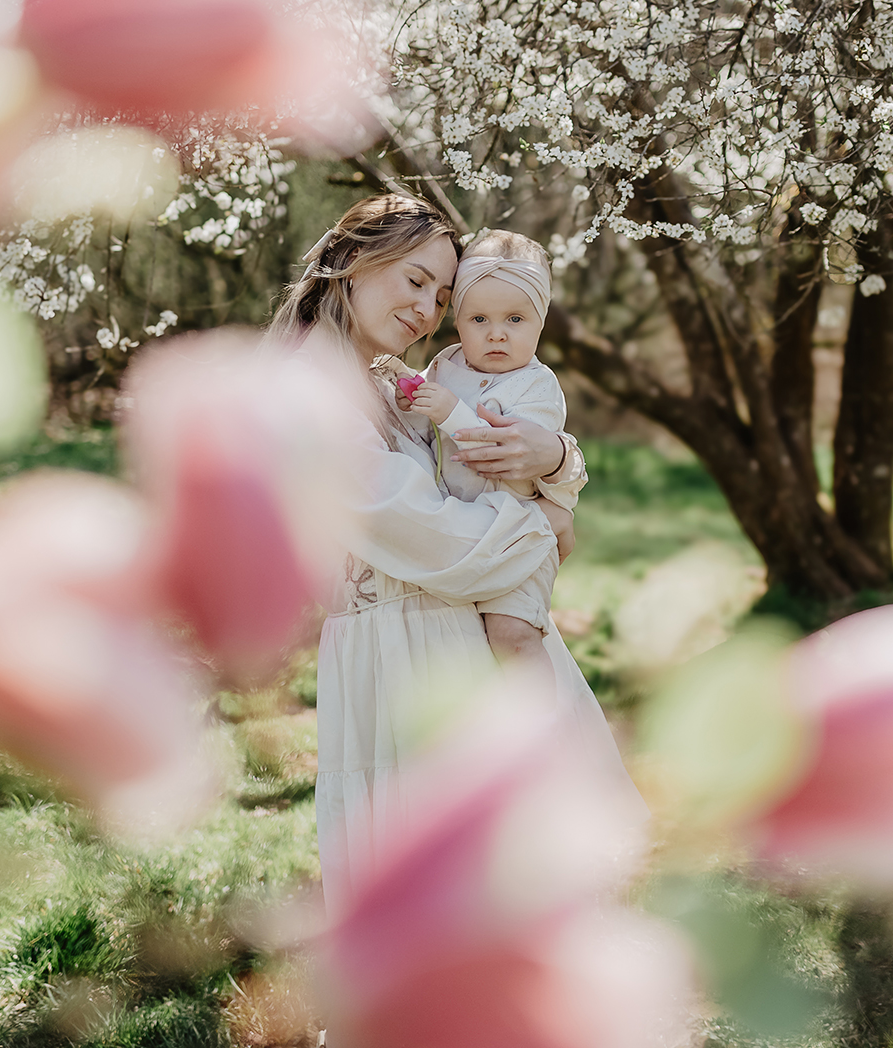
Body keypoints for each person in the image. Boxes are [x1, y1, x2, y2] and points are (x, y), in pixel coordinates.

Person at [267, 193, 636, 917]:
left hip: (459, 648)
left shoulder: (385, 381)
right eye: (414, 280)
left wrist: (558, 460)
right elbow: (443, 536)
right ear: (349, 261)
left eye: (442, 294)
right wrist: (544, 518)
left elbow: (488, 460)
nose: (427, 309)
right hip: (406, 661)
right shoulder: (307, 398)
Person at [396, 229, 573, 668]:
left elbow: (510, 455)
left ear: (540, 321)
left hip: (515, 532)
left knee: (513, 636)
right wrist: (413, 403)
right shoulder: (446, 364)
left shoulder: (537, 384)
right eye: (479, 320)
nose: (497, 335)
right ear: (458, 320)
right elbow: (426, 430)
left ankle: (542, 726)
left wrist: (451, 411)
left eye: (515, 319)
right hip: (463, 536)